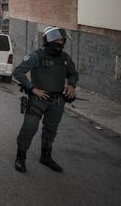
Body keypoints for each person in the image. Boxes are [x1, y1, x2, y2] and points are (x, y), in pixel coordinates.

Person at [13, 26, 78, 173]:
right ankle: (20, 157)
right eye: (56, 39)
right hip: (38, 99)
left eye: (62, 40)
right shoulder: (37, 56)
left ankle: (46, 157)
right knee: (29, 128)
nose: (59, 42)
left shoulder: (65, 58)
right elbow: (18, 72)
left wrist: (72, 85)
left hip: (57, 101)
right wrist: (32, 88)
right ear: (48, 40)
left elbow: (73, 74)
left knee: (51, 130)